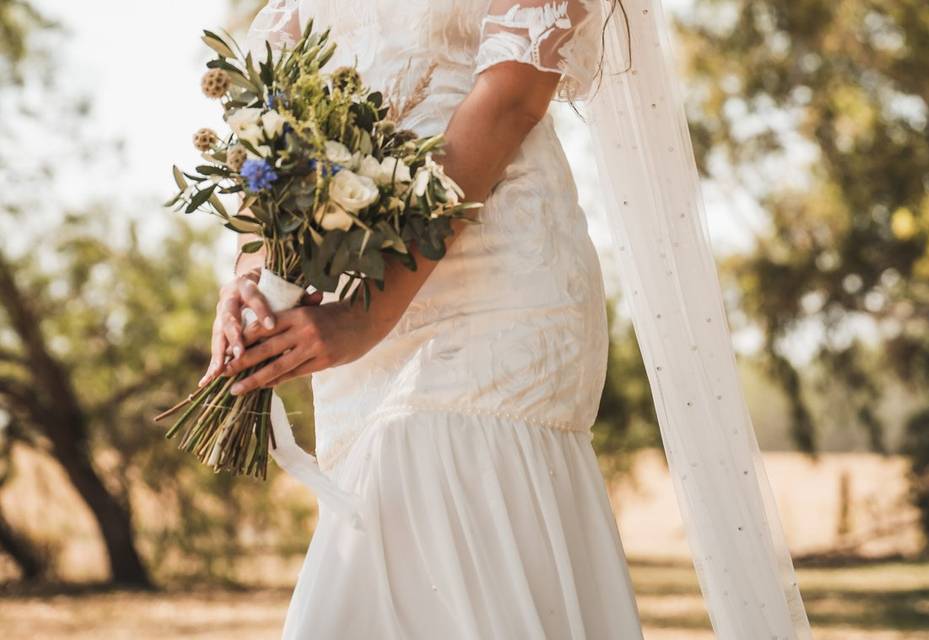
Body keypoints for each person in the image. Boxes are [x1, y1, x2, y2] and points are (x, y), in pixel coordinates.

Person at [200, 0, 648, 637]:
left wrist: (366, 315)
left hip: (495, 277)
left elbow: (510, 102)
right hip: (356, 291)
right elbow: (271, 146)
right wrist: (252, 286)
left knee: (440, 479)